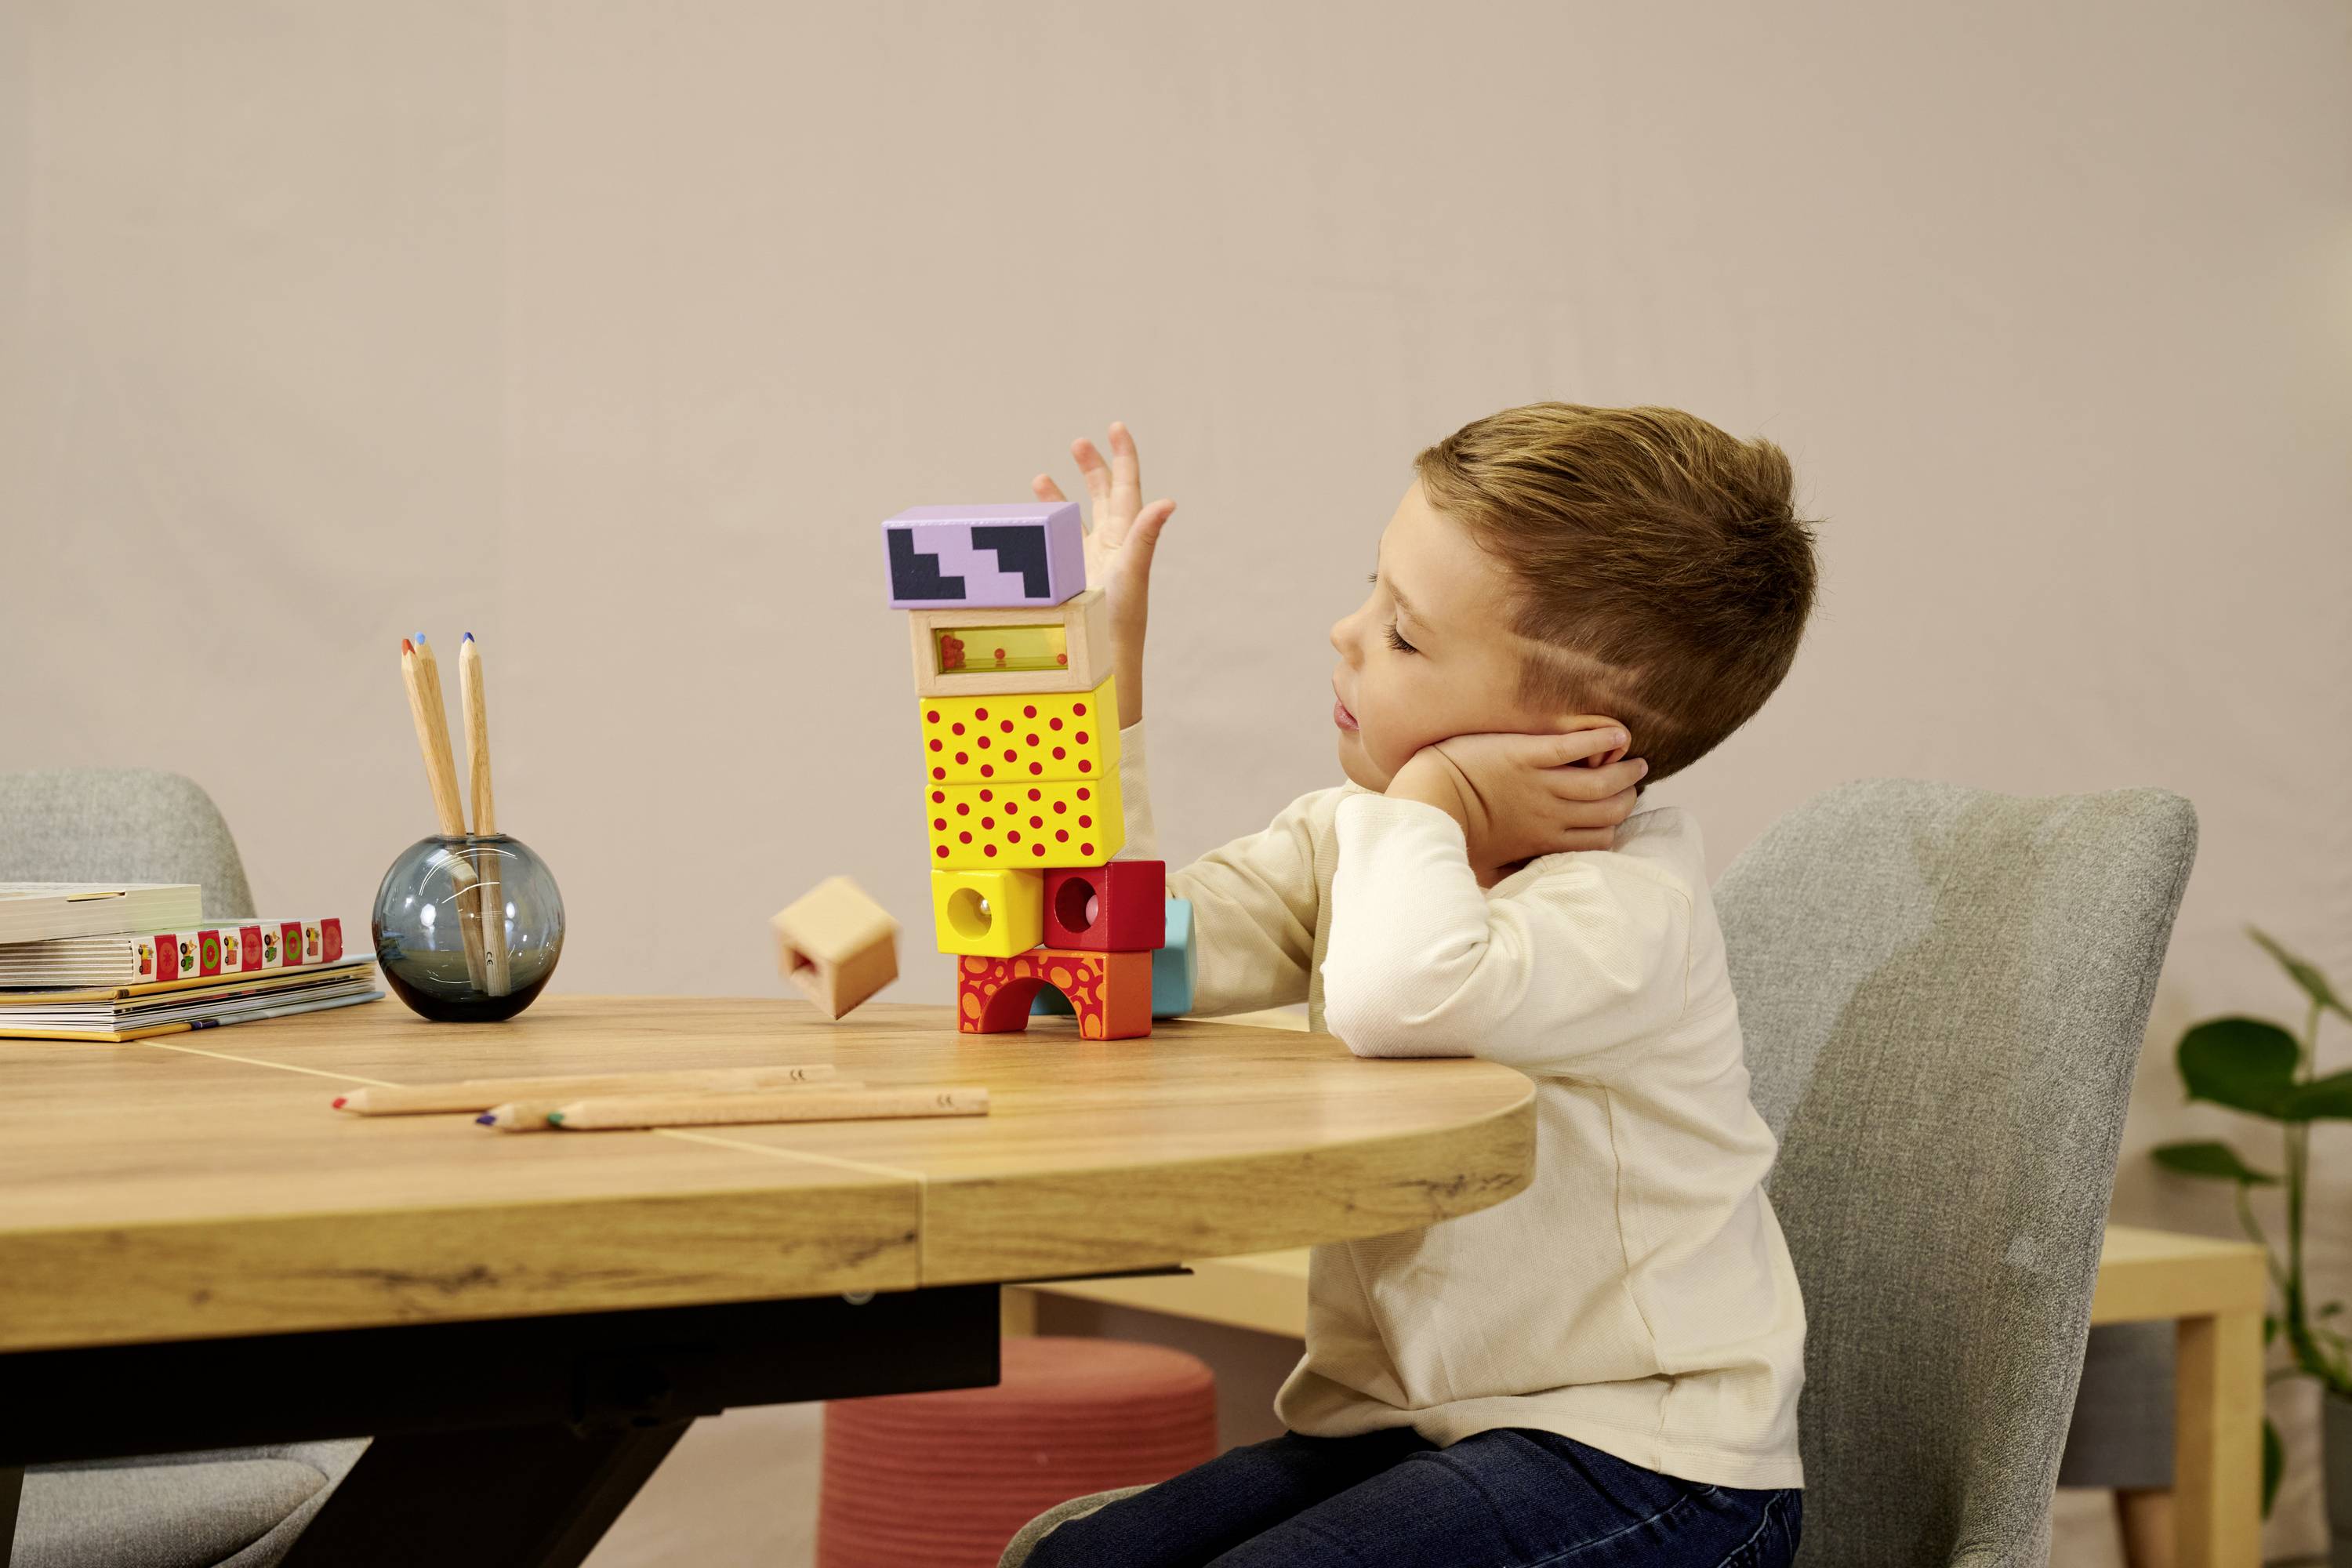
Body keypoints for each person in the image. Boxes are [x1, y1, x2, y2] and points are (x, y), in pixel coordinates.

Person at [1018, 407, 1818, 1567]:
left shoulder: (1631, 915)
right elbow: (1098, 962)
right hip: (1404, 1431)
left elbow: (1402, 997)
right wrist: (1105, 669)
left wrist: (1434, 798)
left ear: (1576, 743)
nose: (1343, 635)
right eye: (1370, 596)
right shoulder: (1358, 843)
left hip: (1647, 1458)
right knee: (1072, 1562)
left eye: (1402, 636)